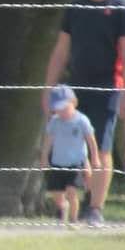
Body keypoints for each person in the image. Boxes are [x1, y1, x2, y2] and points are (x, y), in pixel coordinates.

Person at [42, 0, 125, 226]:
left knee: (102, 146)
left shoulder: (122, 7)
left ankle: (94, 207)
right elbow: (61, 51)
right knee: (66, 143)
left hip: (108, 87)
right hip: (75, 87)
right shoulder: (75, 6)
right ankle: (67, 204)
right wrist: (48, 89)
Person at [40, 84, 100, 225]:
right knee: (56, 194)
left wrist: (94, 158)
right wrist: (44, 158)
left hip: (76, 163)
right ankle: (63, 207)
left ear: (73, 102)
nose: (61, 112)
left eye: (64, 107)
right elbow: (48, 141)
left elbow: (91, 140)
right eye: (57, 109)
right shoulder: (54, 122)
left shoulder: (82, 121)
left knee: (72, 192)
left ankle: (73, 221)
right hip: (58, 162)